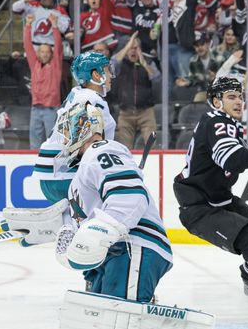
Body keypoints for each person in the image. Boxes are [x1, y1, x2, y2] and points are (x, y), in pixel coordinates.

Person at [52, 102, 223, 329]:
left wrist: (100, 232)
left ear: (84, 129)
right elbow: (87, 229)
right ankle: (143, 308)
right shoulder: (81, 172)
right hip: (115, 253)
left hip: (134, 245)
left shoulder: (102, 150)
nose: (62, 139)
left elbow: (130, 197)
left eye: (66, 130)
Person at [172, 77, 248, 311]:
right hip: (199, 207)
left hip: (218, 199)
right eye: (231, 97)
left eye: (240, 96)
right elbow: (231, 159)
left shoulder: (223, 122)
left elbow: (230, 161)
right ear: (216, 101)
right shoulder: (218, 122)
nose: (239, 101)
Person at [31, 51, 116, 205]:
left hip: (51, 174)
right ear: (96, 75)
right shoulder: (92, 100)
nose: (111, 75)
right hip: (66, 174)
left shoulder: (76, 93)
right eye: (107, 70)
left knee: (72, 222)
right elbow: (90, 143)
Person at [111, 33, 159, 148]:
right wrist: (127, 46)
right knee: (125, 148)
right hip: (126, 113)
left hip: (146, 112)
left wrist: (143, 61)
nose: (133, 51)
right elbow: (111, 64)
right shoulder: (120, 63)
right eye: (130, 48)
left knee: (151, 146)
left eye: (135, 48)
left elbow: (157, 78)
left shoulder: (148, 62)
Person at [24, 13, 63, 149]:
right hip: (35, 109)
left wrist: (55, 26)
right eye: (42, 51)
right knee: (34, 144)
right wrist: (28, 25)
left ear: (51, 54)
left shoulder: (55, 65)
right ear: (38, 53)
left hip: (51, 109)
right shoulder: (34, 64)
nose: (45, 53)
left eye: (47, 51)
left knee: (53, 144)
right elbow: (28, 46)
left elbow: (58, 46)